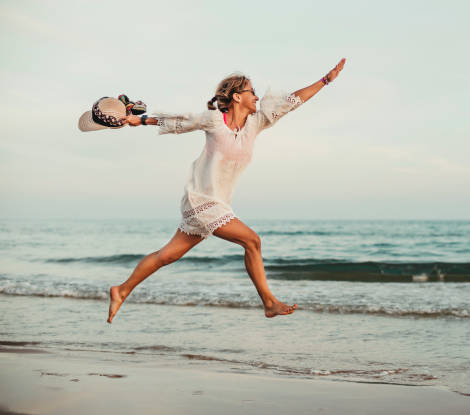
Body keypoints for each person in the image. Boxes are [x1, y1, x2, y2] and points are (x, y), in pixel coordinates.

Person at [107, 58, 347, 323]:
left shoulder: (256, 123)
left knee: (168, 255)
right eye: (251, 91)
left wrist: (325, 80)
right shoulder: (214, 121)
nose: (257, 96)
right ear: (236, 97)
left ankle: (122, 290)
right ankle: (269, 302)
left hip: (218, 203)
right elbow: (180, 120)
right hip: (202, 201)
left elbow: (292, 101)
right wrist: (139, 121)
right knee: (252, 241)